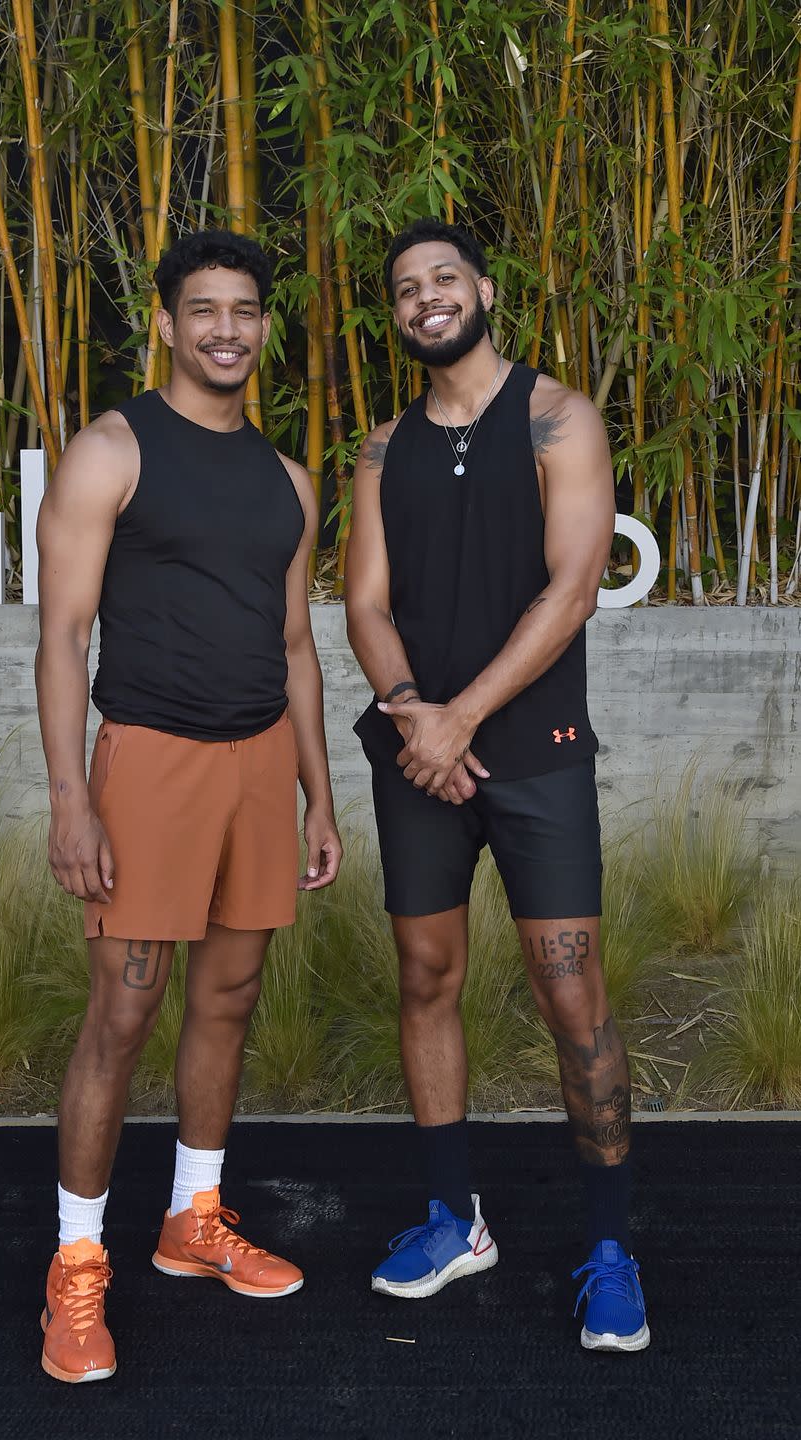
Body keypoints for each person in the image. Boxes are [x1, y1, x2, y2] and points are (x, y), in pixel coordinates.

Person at [34, 229, 342, 1384]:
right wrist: (73, 796)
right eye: (203, 309)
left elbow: (299, 647)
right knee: (123, 1011)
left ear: (264, 327)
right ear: (165, 323)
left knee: (230, 996)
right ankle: (76, 1270)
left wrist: (317, 794)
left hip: (260, 764)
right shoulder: (112, 450)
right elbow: (63, 637)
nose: (227, 329)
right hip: (149, 760)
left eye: (246, 311)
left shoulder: (288, 480)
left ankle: (191, 1221)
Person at [344, 218, 648, 1352]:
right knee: (427, 976)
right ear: (399, 316)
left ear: (483, 289)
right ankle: (451, 1219)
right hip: (419, 752)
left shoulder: (557, 414)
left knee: (573, 994)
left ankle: (611, 1249)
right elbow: (364, 603)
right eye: (406, 289)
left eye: (443, 279)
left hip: (535, 751)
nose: (427, 299)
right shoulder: (381, 450)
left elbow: (573, 587)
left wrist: (462, 718)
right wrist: (418, 715)